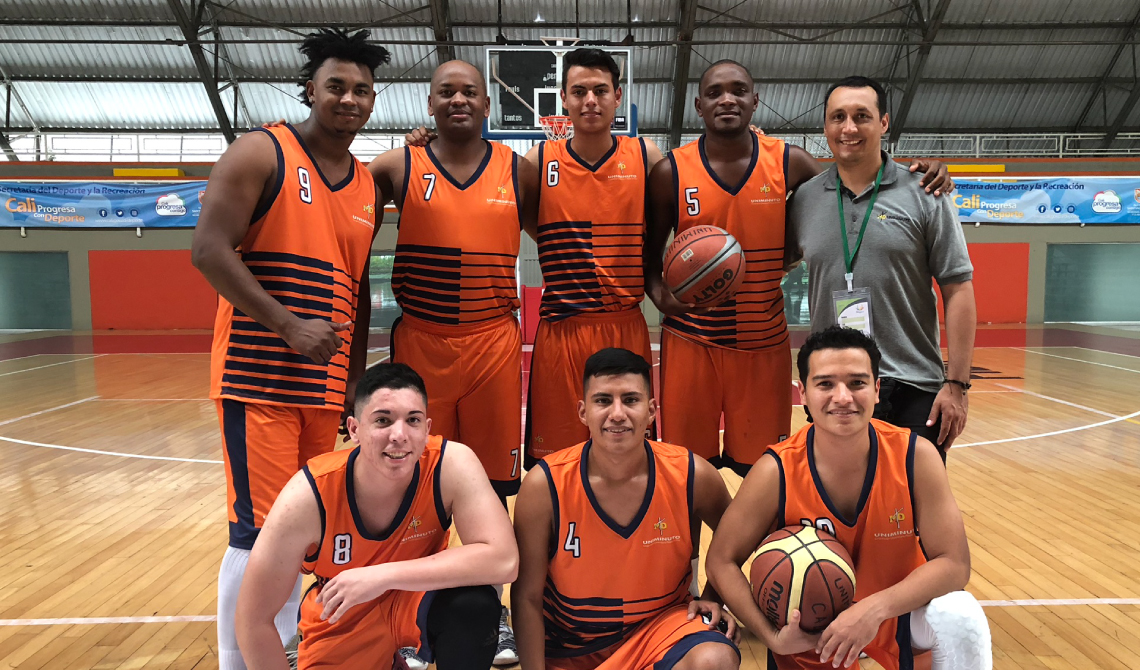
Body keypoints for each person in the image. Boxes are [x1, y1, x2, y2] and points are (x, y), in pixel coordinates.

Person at [645, 60, 953, 475]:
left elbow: (852, 186)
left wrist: (916, 170)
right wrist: (665, 297)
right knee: (683, 471)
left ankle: (765, 544)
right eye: (715, 92)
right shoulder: (670, 171)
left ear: (756, 102)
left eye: (739, 90)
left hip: (762, 342)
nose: (728, 99)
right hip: (690, 343)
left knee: (764, 472)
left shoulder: (792, 164)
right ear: (699, 106)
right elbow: (649, 259)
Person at [191, 29, 388, 670]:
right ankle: (238, 659)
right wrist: (286, 325)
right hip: (258, 379)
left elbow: (355, 296)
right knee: (256, 534)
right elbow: (209, 251)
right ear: (310, 89)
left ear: (373, 100)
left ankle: (280, 651)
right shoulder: (261, 151)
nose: (348, 99)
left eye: (361, 90)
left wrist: (355, 392)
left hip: (323, 391)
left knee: (303, 534)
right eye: (336, 86)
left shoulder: (364, 186)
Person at [365, 58, 539, 666]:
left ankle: (492, 616)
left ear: (488, 105)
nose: (459, 99)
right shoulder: (397, 166)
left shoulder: (520, 172)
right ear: (429, 103)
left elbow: (562, 234)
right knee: (413, 479)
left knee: (490, 485)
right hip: (423, 341)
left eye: (470, 92)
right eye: (447, 91)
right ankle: (411, 619)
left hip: (492, 340)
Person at [705, 326, 992, 670]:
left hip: (893, 613)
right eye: (825, 384)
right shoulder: (775, 470)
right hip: (811, 631)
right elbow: (721, 560)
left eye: (857, 383)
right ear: (803, 394)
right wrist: (771, 636)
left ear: (876, 390)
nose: (842, 397)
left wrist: (873, 610)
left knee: (961, 615)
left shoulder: (915, 456)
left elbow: (954, 563)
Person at [235, 362, 519, 670]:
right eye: (383, 420)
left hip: (415, 600)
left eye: (413, 420)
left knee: (472, 604)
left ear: (427, 429)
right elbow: (253, 619)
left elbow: (504, 561)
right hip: (345, 616)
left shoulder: (451, 463)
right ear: (355, 429)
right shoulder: (308, 494)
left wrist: (380, 576)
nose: (399, 435)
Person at [512, 347, 740, 670]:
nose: (617, 414)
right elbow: (527, 598)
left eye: (630, 400)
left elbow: (738, 539)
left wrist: (714, 596)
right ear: (583, 411)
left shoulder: (692, 475)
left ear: (651, 411)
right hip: (572, 645)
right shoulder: (544, 486)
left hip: (660, 631)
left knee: (715, 659)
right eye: (603, 400)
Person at [788, 76, 976, 456]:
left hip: (912, 386)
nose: (849, 128)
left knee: (911, 510)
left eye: (862, 116)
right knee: (837, 507)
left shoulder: (925, 191)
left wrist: (956, 385)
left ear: (884, 123)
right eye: (838, 117)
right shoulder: (804, 199)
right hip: (834, 386)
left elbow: (958, 290)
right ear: (825, 126)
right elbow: (770, 265)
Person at [520, 48, 664, 465]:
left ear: (618, 97)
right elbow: (532, 224)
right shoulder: (538, 162)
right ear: (563, 98)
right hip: (561, 329)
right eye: (579, 91)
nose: (590, 101)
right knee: (557, 459)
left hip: (623, 322)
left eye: (601, 90)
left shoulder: (646, 157)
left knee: (630, 449)